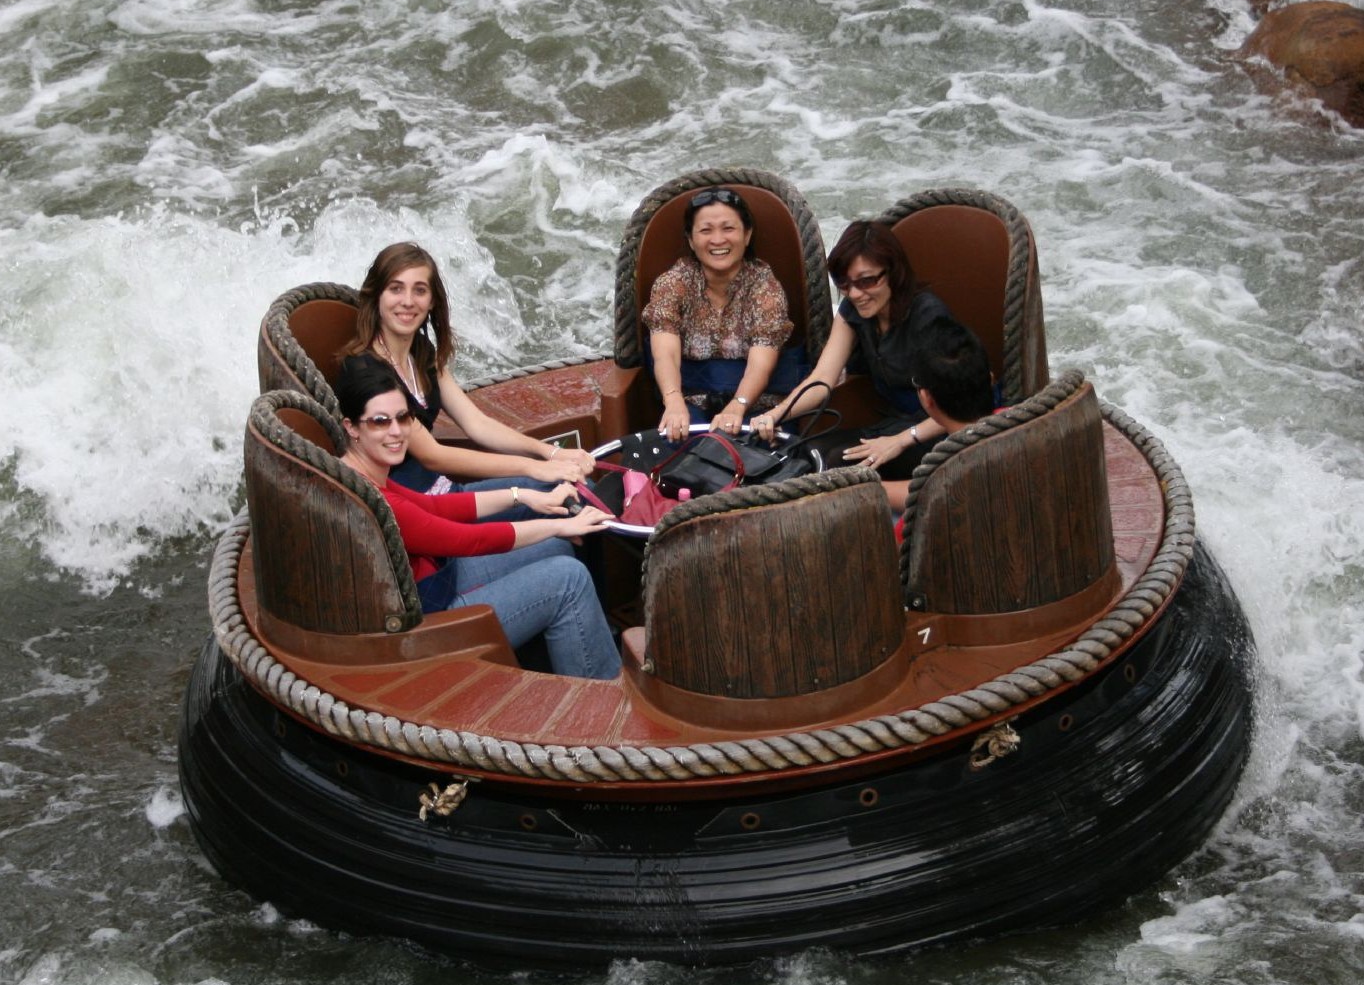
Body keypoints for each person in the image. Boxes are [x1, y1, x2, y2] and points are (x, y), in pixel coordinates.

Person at [335, 357, 620, 680]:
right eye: (380, 422)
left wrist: (523, 495)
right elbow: (466, 540)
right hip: (424, 627)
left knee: (556, 549)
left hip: (435, 581)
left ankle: (562, 667)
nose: (397, 431)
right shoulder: (375, 500)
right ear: (351, 427)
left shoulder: (359, 472)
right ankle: (601, 697)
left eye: (403, 418)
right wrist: (559, 524)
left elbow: (435, 508)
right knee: (569, 578)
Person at [340, 241, 597, 494]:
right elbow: (434, 456)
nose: (408, 301)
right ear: (377, 296)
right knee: (565, 498)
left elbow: (477, 423)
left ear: (432, 301)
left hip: (447, 492)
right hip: (410, 509)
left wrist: (550, 452)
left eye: (419, 290)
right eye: (396, 289)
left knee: (577, 490)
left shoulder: (420, 352)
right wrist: (534, 468)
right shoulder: (368, 373)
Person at [752, 219, 972, 478]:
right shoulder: (852, 312)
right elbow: (823, 379)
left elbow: (967, 403)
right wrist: (775, 415)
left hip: (945, 428)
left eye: (866, 281)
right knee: (807, 454)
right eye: (845, 284)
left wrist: (902, 440)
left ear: (893, 272)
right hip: (895, 421)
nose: (855, 294)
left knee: (836, 465)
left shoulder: (928, 316)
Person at [641, 187, 802, 441]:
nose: (718, 240)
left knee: (752, 455)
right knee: (682, 455)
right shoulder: (673, 284)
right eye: (706, 230)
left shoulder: (764, 288)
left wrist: (737, 406)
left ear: (747, 235)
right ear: (692, 241)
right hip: (690, 401)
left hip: (758, 406)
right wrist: (673, 402)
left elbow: (761, 363)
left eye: (728, 229)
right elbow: (665, 353)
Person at [880, 316, 996, 514]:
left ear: (926, 397)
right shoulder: (1021, 417)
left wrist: (860, 490)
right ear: (990, 379)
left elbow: (929, 490)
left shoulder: (945, 476)